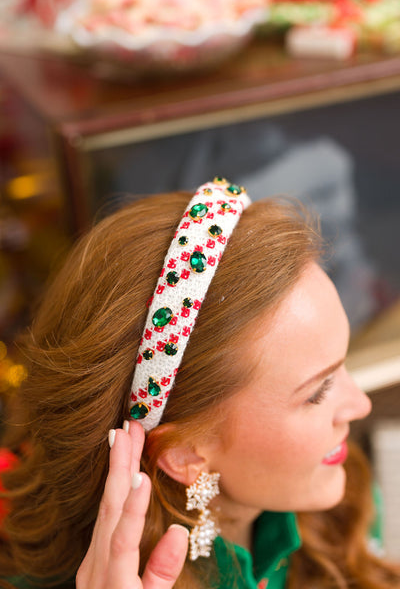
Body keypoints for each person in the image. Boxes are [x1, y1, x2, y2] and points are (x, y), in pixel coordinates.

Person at [1, 179, 400, 589]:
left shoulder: (339, 486)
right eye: (317, 392)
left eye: (342, 365)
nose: (360, 404)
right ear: (184, 454)